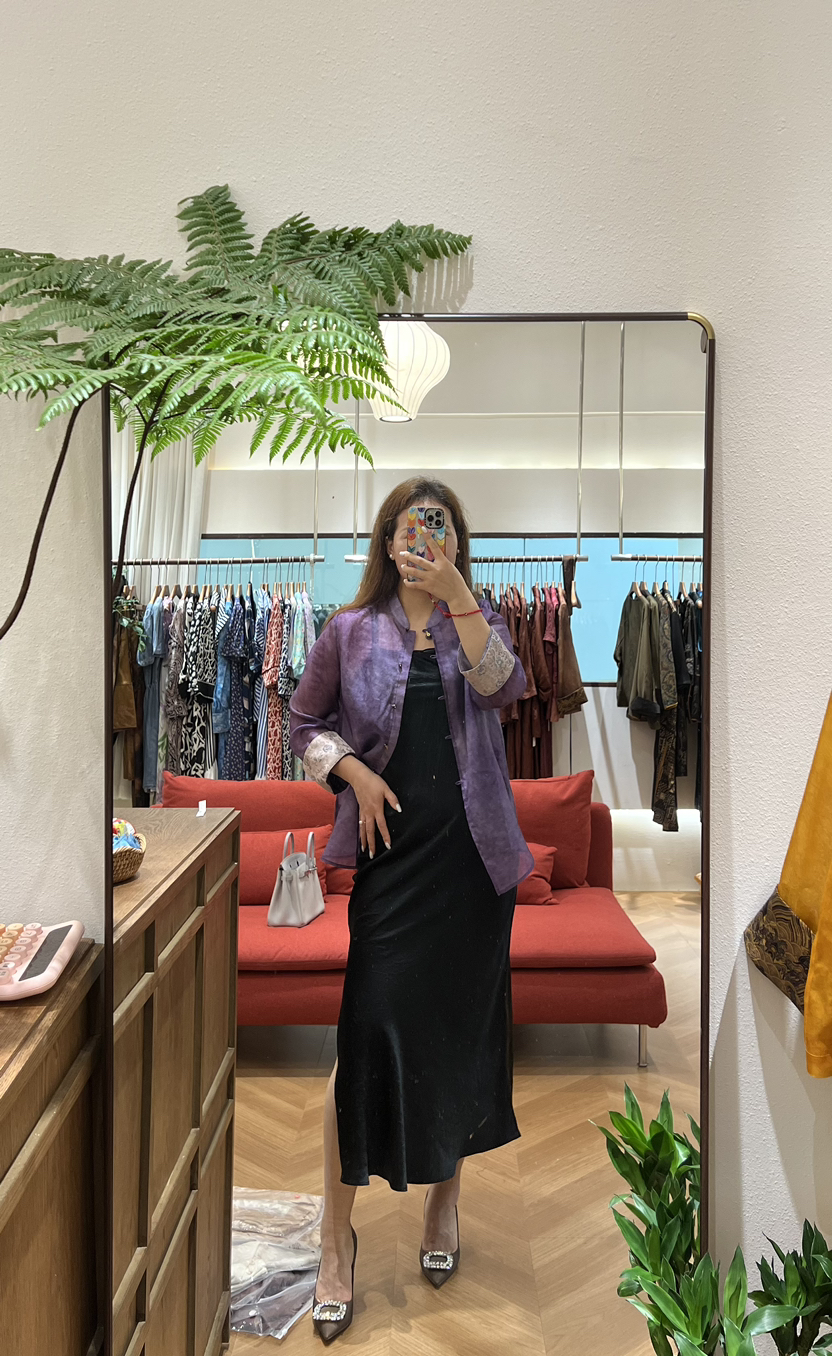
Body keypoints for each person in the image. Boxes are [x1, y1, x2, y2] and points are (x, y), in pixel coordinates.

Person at [289, 477, 534, 1343]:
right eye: (408, 527)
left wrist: (459, 594)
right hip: (391, 868)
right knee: (363, 1040)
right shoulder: (349, 630)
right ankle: (336, 1238)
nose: (422, 539)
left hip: (473, 871)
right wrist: (353, 772)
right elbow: (302, 722)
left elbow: (505, 690)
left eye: (439, 527)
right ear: (386, 542)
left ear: (457, 541)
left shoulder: (481, 620)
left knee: (458, 1037)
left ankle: (444, 1202)